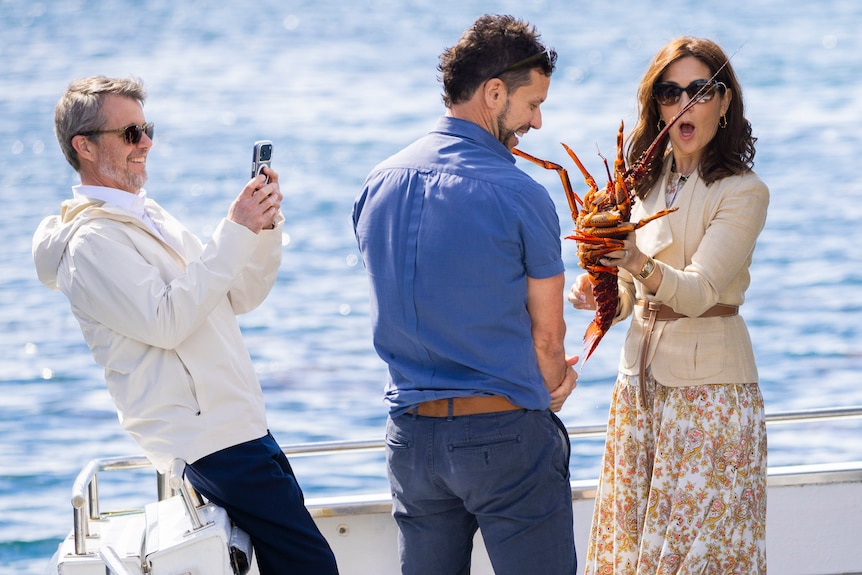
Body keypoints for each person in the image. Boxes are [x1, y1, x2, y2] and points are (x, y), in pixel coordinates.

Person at [32, 76, 339, 575]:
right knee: (312, 566)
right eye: (130, 133)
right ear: (84, 146)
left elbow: (239, 295)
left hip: (237, 425)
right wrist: (234, 229)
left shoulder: (146, 214)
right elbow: (169, 321)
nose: (146, 143)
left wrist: (260, 232)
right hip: (205, 437)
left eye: (146, 128)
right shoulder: (90, 244)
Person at [353, 14, 579, 575]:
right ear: (494, 92)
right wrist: (554, 383)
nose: (537, 120)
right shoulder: (521, 194)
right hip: (503, 437)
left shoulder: (377, 183)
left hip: (411, 442)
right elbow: (549, 338)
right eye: (532, 104)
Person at [568, 37, 768, 574]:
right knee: (633, 556)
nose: (684, 103)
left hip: (710, 399)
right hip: (638, 390)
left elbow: (701, 292)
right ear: (655, 105)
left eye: (700, 90)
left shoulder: (744, 191)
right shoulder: (643, 187)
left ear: (725, 103)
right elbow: (634, 294)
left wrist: (633, 260)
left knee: (699, 558)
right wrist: (600, 296)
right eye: (670, 91)